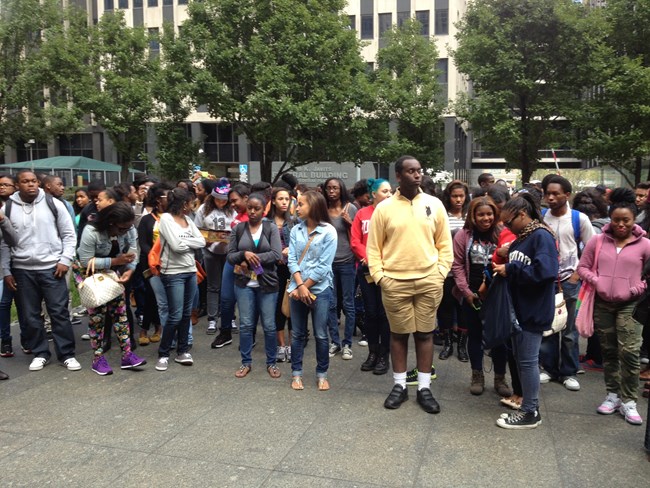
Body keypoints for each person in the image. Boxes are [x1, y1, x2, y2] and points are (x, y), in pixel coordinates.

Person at [367, 156, 452, 414]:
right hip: (395, 282)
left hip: (429, 280)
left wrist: (440, 273)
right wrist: (382, 278)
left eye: (419, 171)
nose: (417, 175)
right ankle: (400, 386)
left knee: (425, 334)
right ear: (398, 176)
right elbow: (374, 249)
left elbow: (444, 244)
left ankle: (424, 388)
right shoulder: (383, 208)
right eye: (411, 171)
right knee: (398, 334)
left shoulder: (434, 204)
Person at [577, 188, 650, 425]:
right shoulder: (598, 241)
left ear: (633, 220)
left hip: (631, 306)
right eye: (616, 220)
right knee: (608, 352)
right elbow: (583, 267)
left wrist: (636, 289)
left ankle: (629, 401)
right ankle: (613, 395)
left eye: (626, 220)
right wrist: (598, 281)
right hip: (603, 305)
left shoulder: (645, 245)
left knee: (629, 353)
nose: (620, 224)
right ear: (610, 219)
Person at [0, 170, 81, 372]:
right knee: (30, 315)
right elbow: (3, 244)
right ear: (17, 185)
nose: (31, 185)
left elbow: (69, 234)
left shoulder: (54, 203)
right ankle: (40, 353)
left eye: (34, 181)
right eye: (25, 182)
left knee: (59, 312)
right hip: (22, 269)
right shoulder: (8, 207)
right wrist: (6, 271)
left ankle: (67, 354)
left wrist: (65, 259)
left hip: (52, 268)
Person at [493, 193, 559, 429]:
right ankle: (528, 408)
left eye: (509, 222)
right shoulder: (526, 235)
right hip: (521, 309)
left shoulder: (541, 236)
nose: (507, 226)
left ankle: (530, 412)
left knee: (529, 362)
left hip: (533, 310)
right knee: (524, 361)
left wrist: (511, 269)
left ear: (522, 215)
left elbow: (547, 272)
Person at [77, 202, 146, 375]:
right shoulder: (91, 231)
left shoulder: (129, 229)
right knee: (97, 318)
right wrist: (116, 262)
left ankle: (127, 355)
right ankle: (97, 359)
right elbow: (85, 261)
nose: (126, 231)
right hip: (91, 275)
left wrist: (129, 269)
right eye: (122, 228)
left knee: (120, 313)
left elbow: (132, 252)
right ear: (110, 223)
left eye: (129, 226)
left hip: (112, 273)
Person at [452, 196, 511, 397]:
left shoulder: (503, 234)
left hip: (499, 295)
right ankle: (477, 375)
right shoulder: (463, 235)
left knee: (500, 338)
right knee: (474, 335)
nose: (486, 218)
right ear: (473, 216)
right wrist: (466, 292)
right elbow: (457, 265)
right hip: (472, 294)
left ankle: (500, 378)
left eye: (489, 214)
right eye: (481, 214)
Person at [540, 175, 594, 391]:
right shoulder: (542, 216)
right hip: (547, 281)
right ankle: (549, 368)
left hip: (570, 281)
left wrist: (577, 275)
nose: (550, 197)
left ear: (567, 195)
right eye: (547, 194)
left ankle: (569, 371)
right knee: (549, 326)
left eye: (555, 193)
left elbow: (591, 250)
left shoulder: (579, 219)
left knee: (570, 330)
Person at [228, 193, 283, 379]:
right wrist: (244, 254)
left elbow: (276, 254)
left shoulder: (271, 228)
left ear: (264, 209)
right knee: (245, 324)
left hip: (267, 283)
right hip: (244, 282)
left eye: (256, 208)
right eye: (250, 207)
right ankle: (246, 362)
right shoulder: (239, 228)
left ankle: (271, 363)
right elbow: (230, 255)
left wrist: (255, 257)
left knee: (268, 325)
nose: (252, 212)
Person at [287, 191, 337, 391]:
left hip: (321, 288)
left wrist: (304, 288)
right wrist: (300, 286)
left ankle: (322, 374)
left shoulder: (329, 231)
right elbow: (291, 259)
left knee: (321, 334)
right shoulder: (295, 230)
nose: (296, 208)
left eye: (300, 204)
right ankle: (296, 374)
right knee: (297, 334)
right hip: (297, 288)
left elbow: (324, 266)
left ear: (314, 206)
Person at [155, 188, 206, 371]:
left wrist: (186, 243)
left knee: (186, 313)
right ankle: (163, 353)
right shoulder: (166, 219)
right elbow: (175, 246)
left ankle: (182, 351)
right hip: (173, 272)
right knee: (175, 315)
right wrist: (188, 243)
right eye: (190, 202)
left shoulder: (189, 221)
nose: (192, 206)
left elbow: (202, 242)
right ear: (183, 203)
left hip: (190, 271)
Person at [350, 178, 392, 374]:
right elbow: (355, 240)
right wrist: (368, 258)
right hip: (366, 271)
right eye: (385, 191)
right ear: (373, 194)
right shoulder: (362, 214)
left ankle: (385, 355)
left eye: (390, 191)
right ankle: (372, 353)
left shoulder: (394, 214)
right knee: (371, 312)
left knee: (385, 314)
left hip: (388, 271)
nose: (389, 195)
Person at [194, 178, 235, 335]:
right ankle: (212, 318)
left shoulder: (232, 209)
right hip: (210, 251)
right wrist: (204, 239)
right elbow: (197, 230)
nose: (221, 202)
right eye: (218, 199)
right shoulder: (204, 209)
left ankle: (229, 316)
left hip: (228, 251)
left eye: (224, 200)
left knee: (229, 285)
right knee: (213, 285)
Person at [323, 177, 357, 360]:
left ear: (341, 189)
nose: (331, 191)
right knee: (331, 303)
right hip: (328, 263)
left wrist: (349, 222)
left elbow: (358, 235)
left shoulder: (350, 208)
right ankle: (335, 342)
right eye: (329, 188)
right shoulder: (323, 210)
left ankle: (347, 344)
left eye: (335, 188)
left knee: (348, 304)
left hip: (347, 261)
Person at [437, 180, 470, 362]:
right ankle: (447, 343)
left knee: (464, 308)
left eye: (461, 196)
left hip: (466, 271)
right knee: (445, 308)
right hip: (446, 270)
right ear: (448, 197)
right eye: (454, 196)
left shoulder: (470, 216)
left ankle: (462, 346)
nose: (458, 199)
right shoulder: (442, 215)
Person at [137, 182, 173, 345]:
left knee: (163, 299)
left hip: (171, 263)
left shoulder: (174, 217)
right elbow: (143, 243)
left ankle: (158, 328)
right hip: (151, 264)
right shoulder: (147, 219)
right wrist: (155, 255)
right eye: (168, 196)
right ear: (159, 200)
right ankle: (146, 329)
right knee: (150, 296)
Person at [268, 187, 297, 362]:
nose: (284, 202)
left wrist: (289, 250)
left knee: (292, 306)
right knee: (278, 306)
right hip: (272, 270)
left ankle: (293, 345)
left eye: (287, 199)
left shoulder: (294, 222)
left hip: (291, 269)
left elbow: (301, 245)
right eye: (280, 199)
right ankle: (281, 345)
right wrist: (275, 253)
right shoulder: (266, 222)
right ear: (273, 201)